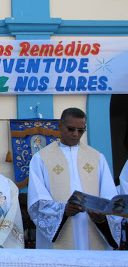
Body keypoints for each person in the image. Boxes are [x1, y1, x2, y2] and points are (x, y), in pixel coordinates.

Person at [28, 107, 121, 250]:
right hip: (61, 229)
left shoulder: (96, 158)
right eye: (71, 129)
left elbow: (109, 195)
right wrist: (63, 210)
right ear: (60, 126)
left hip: (92, 227)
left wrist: (102, 216)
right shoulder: (41, 159)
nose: (76, 135)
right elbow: (37, 201)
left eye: (81, 130)